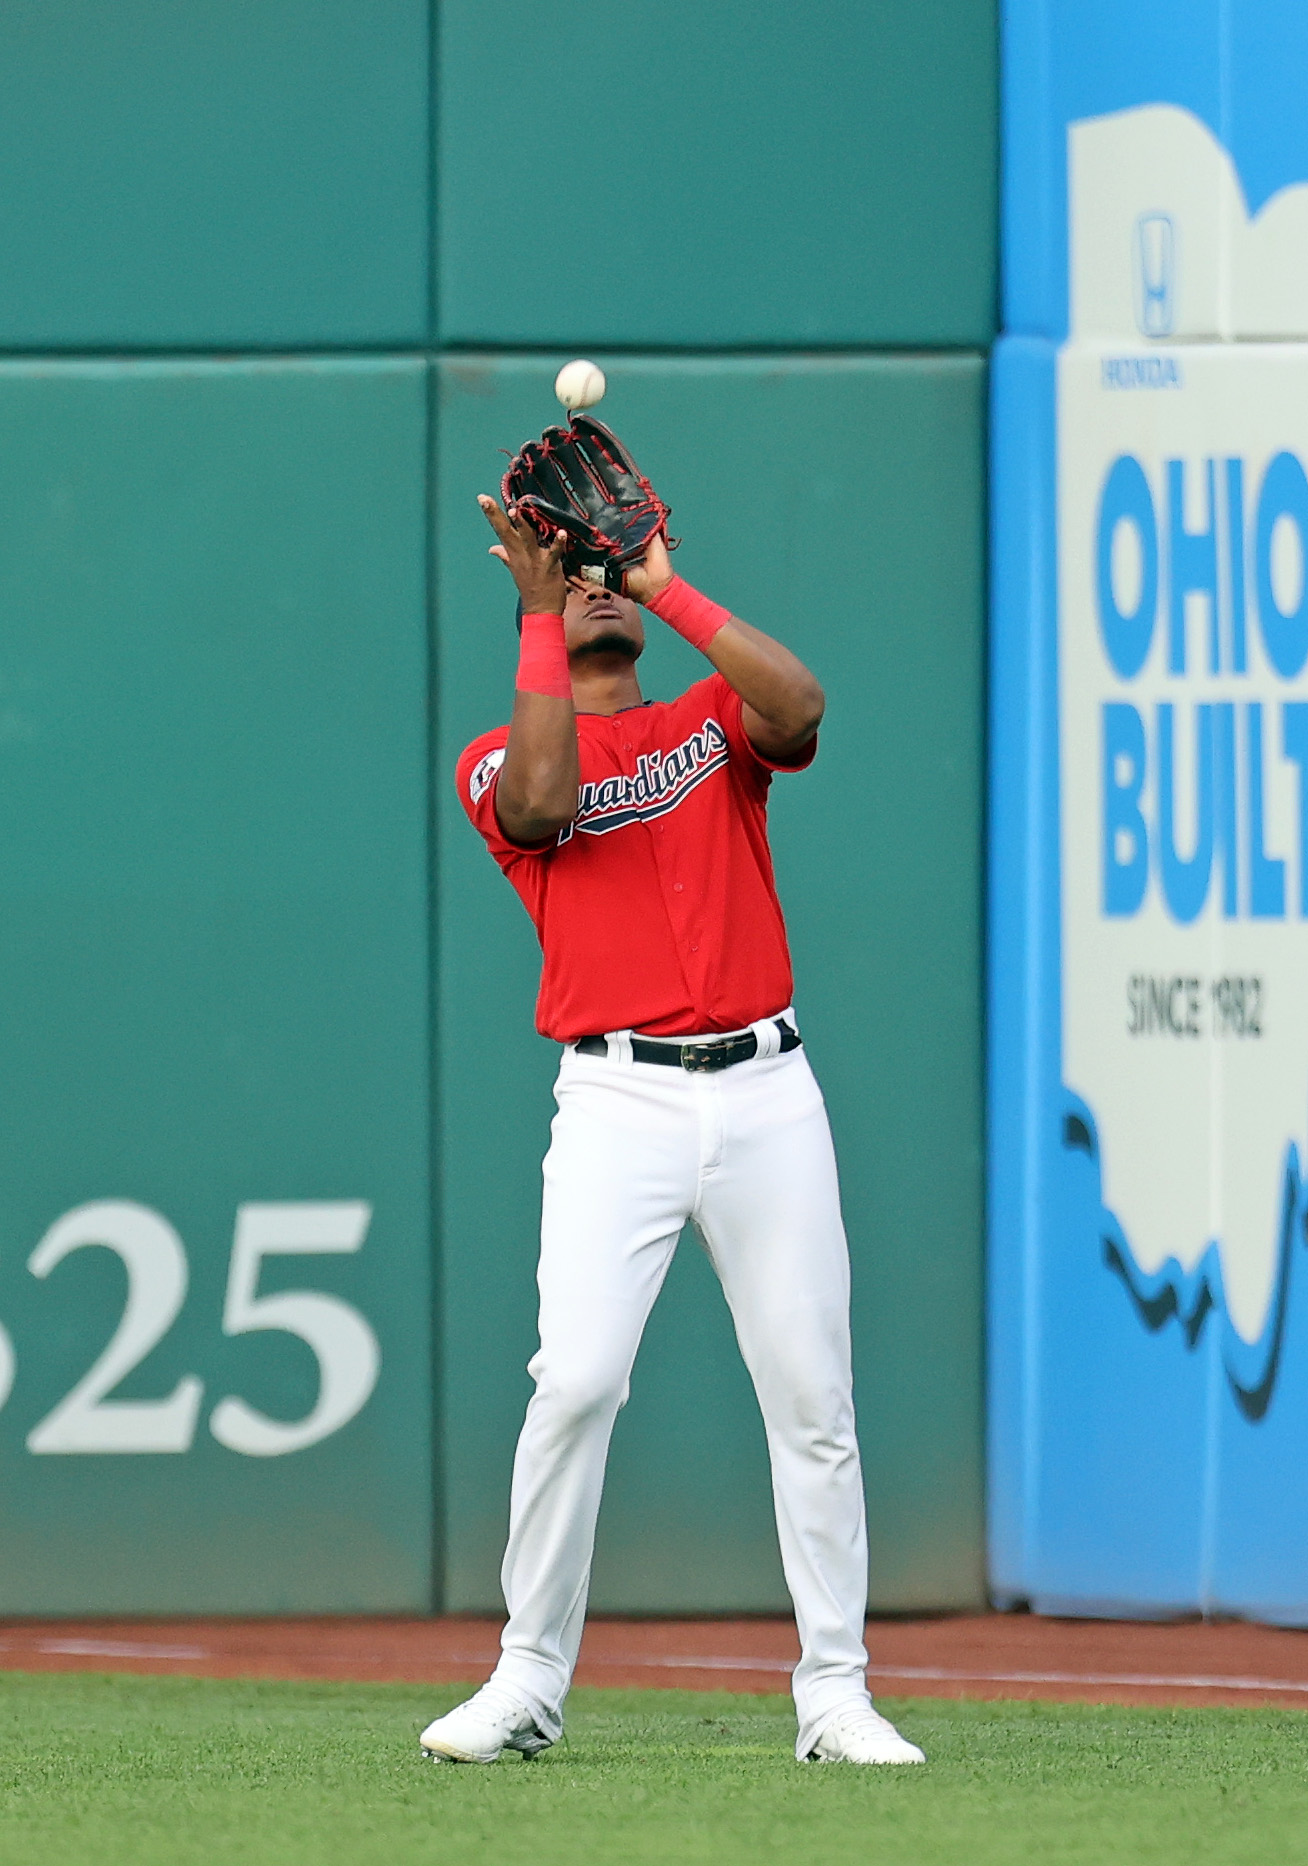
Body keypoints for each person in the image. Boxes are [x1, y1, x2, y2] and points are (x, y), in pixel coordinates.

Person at [420, 491, 924, 1768]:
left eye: (608, 567)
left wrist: (656, 584)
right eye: (573, 569)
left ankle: (837, 1694)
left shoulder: (709, 719)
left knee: (812, 1396)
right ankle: (527, 1680)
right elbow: (539, 807)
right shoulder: (497, 753)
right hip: (618, 1098)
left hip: (767, 1090)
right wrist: (543, 608)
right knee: (576, 1379)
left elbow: (801, 706)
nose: (594, 581)